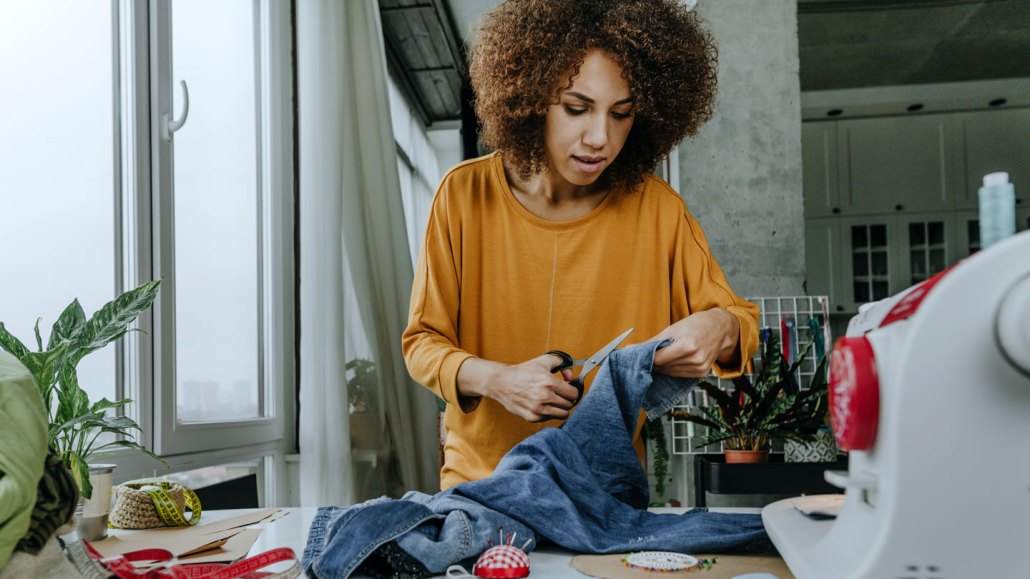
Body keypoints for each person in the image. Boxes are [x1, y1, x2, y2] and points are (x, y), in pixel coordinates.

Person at [402, 0, 759, 490]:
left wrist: (717, 326)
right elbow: (422, 343)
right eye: (577, 108)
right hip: (479, 490)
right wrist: (498, 381)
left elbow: (740, 321)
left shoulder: (658, 210)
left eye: (621, 113)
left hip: (602, 497)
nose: (600, 138)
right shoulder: (463, 196)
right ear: (530, 96)